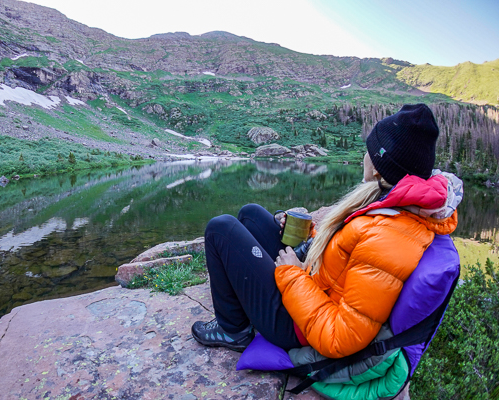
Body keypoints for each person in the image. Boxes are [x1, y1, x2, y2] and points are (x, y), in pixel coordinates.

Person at [191, 103, 462, 358]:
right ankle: (246, 308)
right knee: (251, 213)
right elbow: (347, 255)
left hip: (297, 325)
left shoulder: (388, 237)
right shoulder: (392, 205)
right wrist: (310, 236)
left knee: (220, 229)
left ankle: (233, 330)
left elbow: (340, 337)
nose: (363, 155)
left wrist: (292, 274)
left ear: (380, 167)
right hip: (313, 286)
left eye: (370, 148)